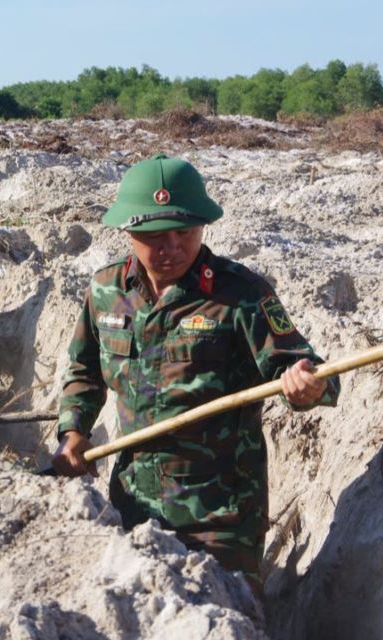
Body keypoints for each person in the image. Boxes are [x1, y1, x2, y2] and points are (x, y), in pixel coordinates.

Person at [50, 154, 340, 581]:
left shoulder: (240, 294)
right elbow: (84, 372)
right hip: (133, 504)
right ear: (129, 231)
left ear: (202, 226)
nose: (172, 249)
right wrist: (73, 431)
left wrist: (306, 386)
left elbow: (310, 371)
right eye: (156, 238)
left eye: (184, 233)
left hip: (221, 519)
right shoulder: (105, 291)